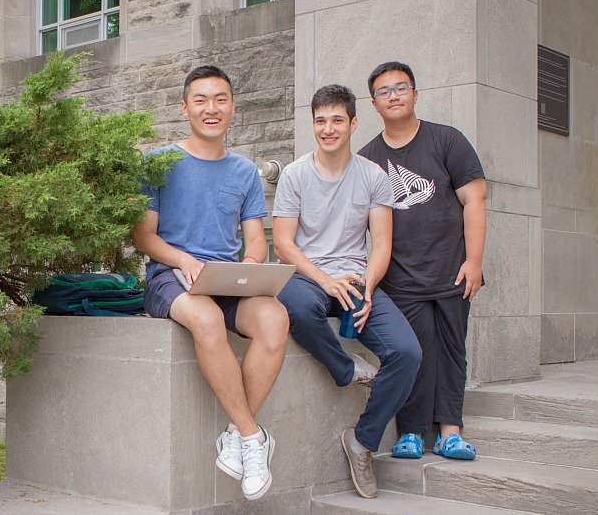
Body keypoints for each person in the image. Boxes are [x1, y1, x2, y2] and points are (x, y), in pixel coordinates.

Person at [133, 65, 290, 501]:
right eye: (200, 100)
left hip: (226, 280)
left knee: (275, 318)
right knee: (206, 321)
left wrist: (251, 268)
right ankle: (253, 437)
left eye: (220, 99)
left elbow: (255, 240)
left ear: (233, 107)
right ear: (185, 108)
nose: (211, 108)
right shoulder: (159, 163)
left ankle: (237, 437)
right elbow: (143, 235)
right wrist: (183, 259)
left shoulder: (243, 172)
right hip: (171, 277)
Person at [272, 84, 421, 499]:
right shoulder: (296, 174)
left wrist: (368, 287)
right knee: (296, 306)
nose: (328, 128)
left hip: (356, 280)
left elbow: (383, 245)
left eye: (337, 120)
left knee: (407, 354)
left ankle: (362, 441)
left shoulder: (373, 176)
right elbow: (284, 243)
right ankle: (347, 369)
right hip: (309, 276)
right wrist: (325, 280)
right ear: (313, 124)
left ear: (353, 123)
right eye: (320, 120)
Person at [359, 61, 487, 462]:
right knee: (413, 351)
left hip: (453, 270)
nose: (393, 95)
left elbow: (475, 200)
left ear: (415, 94)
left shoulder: (447, 141)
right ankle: (411, 432)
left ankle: (451, 432)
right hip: (400, 280)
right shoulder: (366, 159)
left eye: (401, 88)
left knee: (452, 349)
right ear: (374, 103)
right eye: (384, 91)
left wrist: (475, 260)